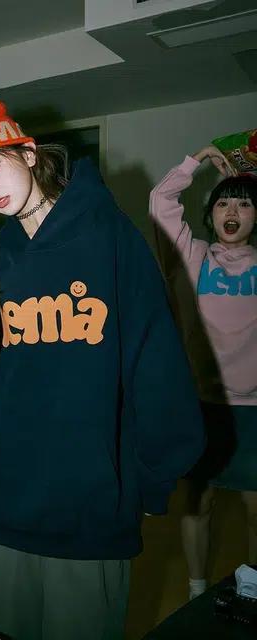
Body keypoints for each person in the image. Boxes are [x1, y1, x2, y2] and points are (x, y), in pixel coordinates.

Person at [0, 97, 206, 640]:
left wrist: (154, 477)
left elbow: (155, 361)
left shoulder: (111, 236)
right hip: (5, 504)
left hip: (91, 506)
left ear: (28, 152)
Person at [149, 146, 257, 600]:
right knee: (199, 503)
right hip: (202, 405)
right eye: (223, 203)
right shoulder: (191, 258)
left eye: (244, 204)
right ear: (210, 215)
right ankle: (196, 591)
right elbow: (160, 202)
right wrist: (199, 158)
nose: (232, 211)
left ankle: (253, 589)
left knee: (255, 508)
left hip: (253, 408)